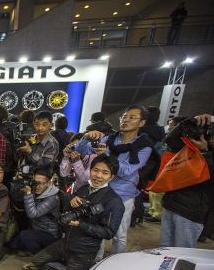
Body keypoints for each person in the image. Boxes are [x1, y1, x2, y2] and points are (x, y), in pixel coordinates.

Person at [24, 154, 125, 270]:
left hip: (83, 251)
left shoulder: (114, 202)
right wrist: (70, 204)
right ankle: (66, 266)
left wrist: (80, 225)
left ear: (112, 177)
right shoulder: (83, 189)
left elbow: (108, 232)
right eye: (95, 170)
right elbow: (65, 212)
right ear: (91, 170)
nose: (98, 176)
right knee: (34, 262)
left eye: (105, 172)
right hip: (66, 242)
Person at [77, 105, 152, 255]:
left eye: (132, 117)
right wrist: (86, 138)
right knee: (98, 230)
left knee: (119, 235)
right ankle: (96, 262)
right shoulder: (109, 139)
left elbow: (126, 170)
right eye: (124, 116)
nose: (126, 120)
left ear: (142, 123)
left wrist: (107, 155)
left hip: (123, 196)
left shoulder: (144, 147)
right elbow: (82, 150)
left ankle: (116, 263)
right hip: (101, 193)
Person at [160, 115, 214, 247]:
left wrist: (203, 152)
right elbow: (170, 140)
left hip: (190, 213)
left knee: (182, 253)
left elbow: (207, 176)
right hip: (171, 204)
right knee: (164, 250)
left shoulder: (203, 152)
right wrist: (190, 121)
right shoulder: (189, 148)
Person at [8, 168, 61, 255]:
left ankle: (41, 256)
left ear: (48, 183)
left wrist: (28, 194)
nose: (38, 186)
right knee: (12, 244)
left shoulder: (53, 198)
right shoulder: (34, 189)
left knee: (25, 235)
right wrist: (19, 184)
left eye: (41, 183)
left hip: (49, 234)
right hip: (36, 228)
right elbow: (18, 201)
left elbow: (33, 214)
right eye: (35, 182)